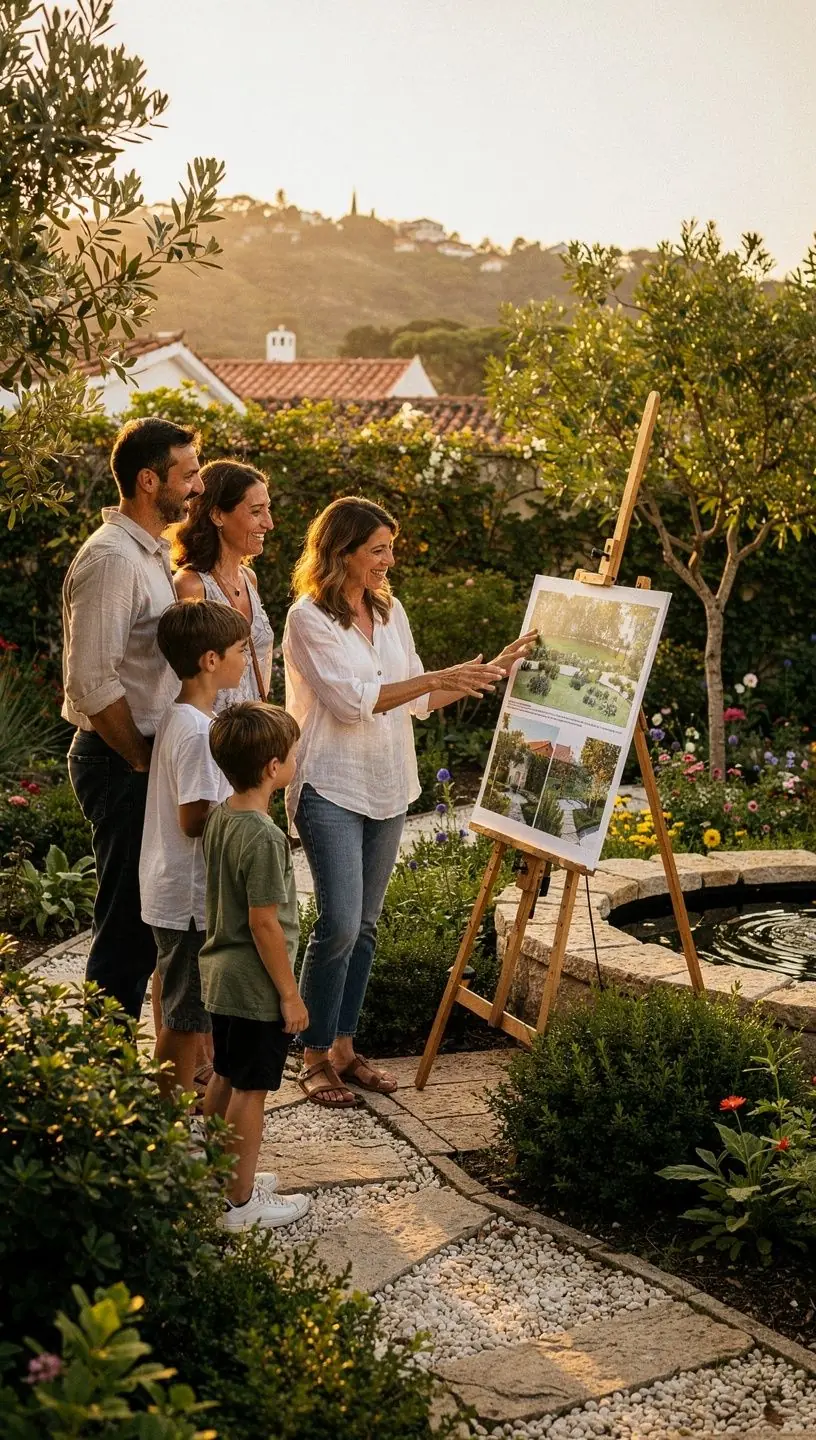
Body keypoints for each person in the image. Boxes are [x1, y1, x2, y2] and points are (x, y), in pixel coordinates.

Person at [283, 495, 536, 1107]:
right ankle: (314, 1056)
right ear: (340, 553)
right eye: (378, 550)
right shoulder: (307, 618)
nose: (389, 561)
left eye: (390, 548)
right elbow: (351, 701)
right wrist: (433, 678)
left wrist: (487, 672)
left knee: (365, 929)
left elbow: (420, 699)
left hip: (390, 784)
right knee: (339, 923)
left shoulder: (390, 611)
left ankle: (344, 1048)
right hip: (330, 786)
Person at [62, 417, 204, 1018]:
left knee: (144, 921)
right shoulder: (114, 560)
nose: (197, 487)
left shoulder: (149, 554)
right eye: (189, 474)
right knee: (125, 926)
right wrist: (144, 762)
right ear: (150, 481)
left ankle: (115, 1074)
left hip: (140, 756)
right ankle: (101, 1079)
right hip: (120, 757)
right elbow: (92, 683)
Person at [200, 700, 310, 1231]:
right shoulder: (265, 837)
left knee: (225, 1072)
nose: (294, 760)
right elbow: (265, 924)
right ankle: (240, 1204)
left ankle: (215, 1178)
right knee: (252, 1087)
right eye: (291, 754)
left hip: (221, 977)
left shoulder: (223, 815)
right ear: (273, 768)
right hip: (254, 985)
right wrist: (289, 994)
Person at [139, 600, 251, 1101]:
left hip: (175, 890)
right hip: (188, 899)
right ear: (211, 660)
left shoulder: (183, 718)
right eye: (240, 651)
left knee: (185, 1009)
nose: (246, 660)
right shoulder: (199, 733)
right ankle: (170, 1123)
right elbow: (193, 819)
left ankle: (175, 1116)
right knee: (184, 1018)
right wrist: (246, 813)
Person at [173, 460, 275, 709]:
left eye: (268, 509)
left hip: (252, 736)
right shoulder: (191, 587)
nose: (269, 523)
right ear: (218, 515)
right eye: (256, 511)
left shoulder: (249, 579)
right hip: (211, 738)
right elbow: (178, 683)